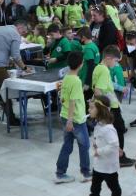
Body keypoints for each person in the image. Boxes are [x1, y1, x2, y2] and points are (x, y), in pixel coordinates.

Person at [93, 44, 134, 167]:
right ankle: (120, 158)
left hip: (111, 105)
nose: (116, 64)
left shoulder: (98, 68)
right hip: (111, 108)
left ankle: (115, 156)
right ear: (108, 58)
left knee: (115, 131)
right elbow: (98, 91)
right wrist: (104, 110)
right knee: (119, 130)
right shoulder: (104, 70)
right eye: (116, 61)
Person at [54, 51, 91, 184]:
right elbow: (72, 101)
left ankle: (60, 173)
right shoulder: (76, 81)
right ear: (81, 64)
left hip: (65, 116)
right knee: (84, 145)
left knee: (67, 145)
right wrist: (70, 120)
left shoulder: (66, 77)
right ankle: (86, 172)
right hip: (75, 119)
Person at [0, 22, 30, 124]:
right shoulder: (15, 35)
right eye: (23, 32)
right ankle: (11, 119)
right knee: (6, 92)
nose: (22, 35)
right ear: (20, 27)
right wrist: (25, 68)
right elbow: (16, 56)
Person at [90, 95, 121, 196]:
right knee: (94, 188)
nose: (89, 110)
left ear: (100, 110)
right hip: (98, 165)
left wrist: (98, 151)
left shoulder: (108, 129)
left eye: (91, 108)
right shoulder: (98, 124)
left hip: (108, 167)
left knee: (114, 188)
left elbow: (113, 145)